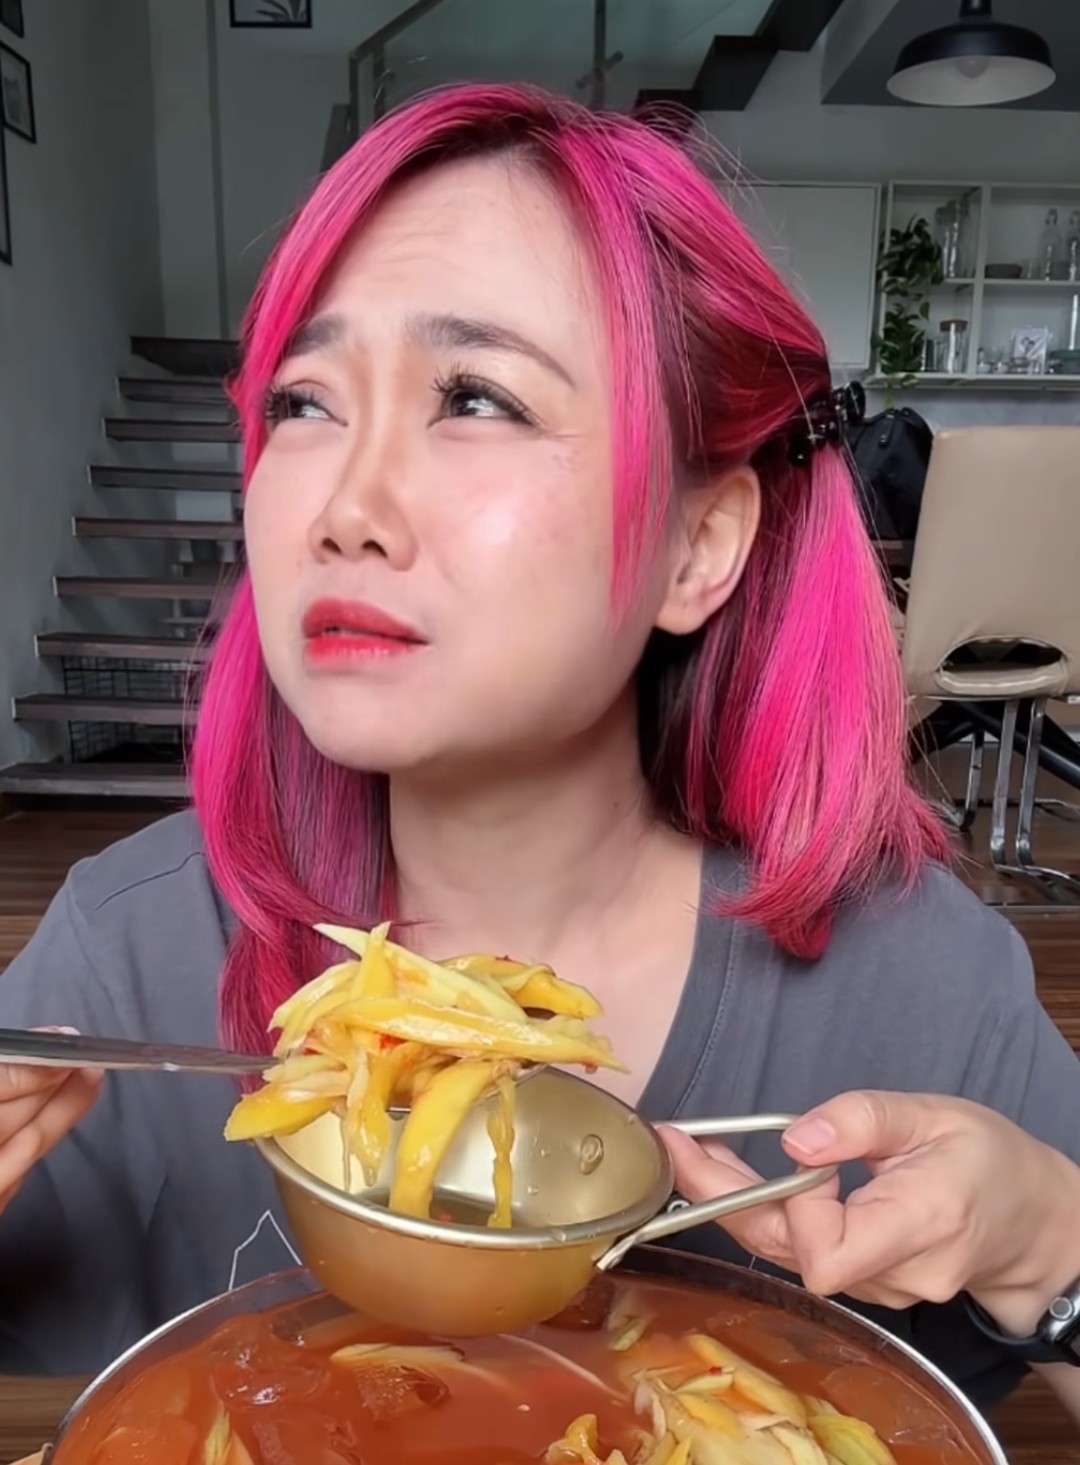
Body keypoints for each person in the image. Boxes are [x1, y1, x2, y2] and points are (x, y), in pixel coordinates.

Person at [1, 83, 1078, 1425]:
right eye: (303, 401)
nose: (345, 507)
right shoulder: (126, 959)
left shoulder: (919, 990)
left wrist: (1052, 1250)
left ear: (698, 547)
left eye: (475, 397)